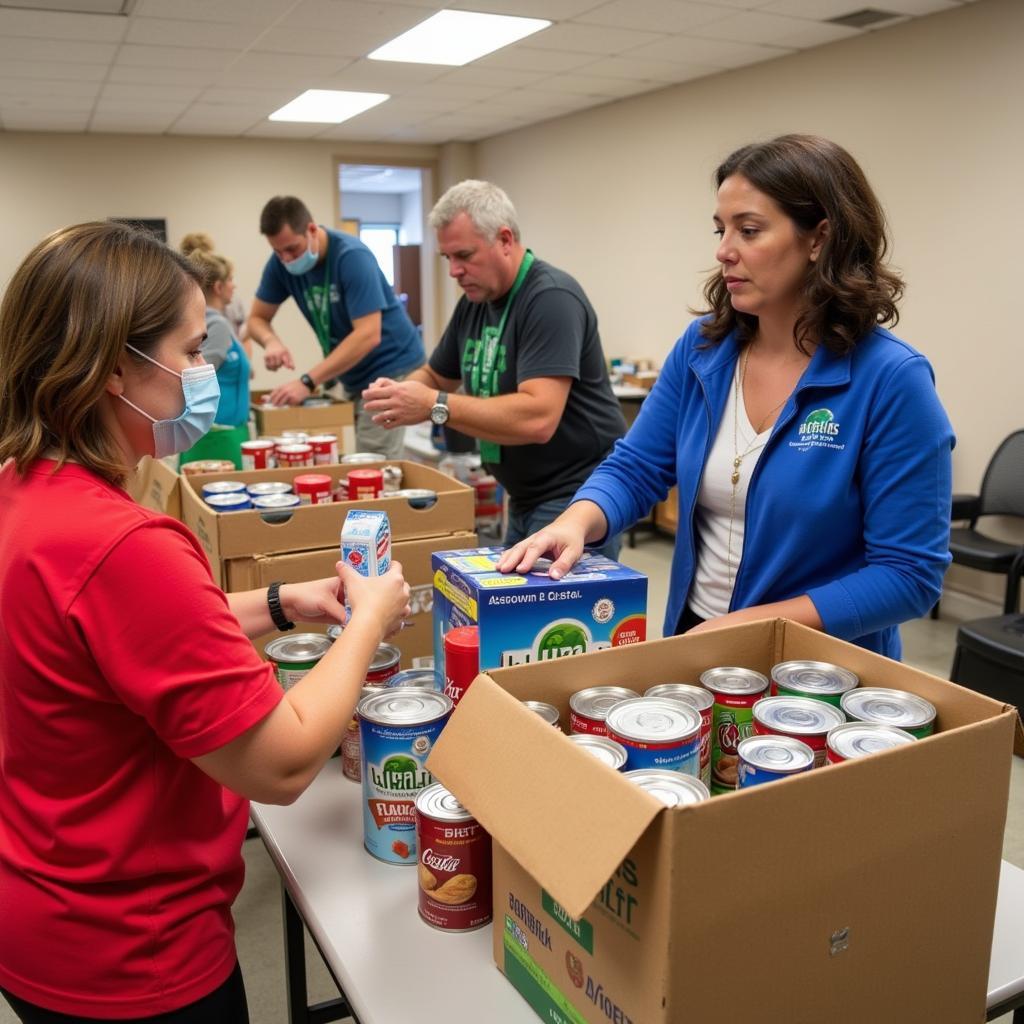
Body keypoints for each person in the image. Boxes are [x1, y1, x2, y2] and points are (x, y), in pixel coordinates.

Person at [0, 222, 410, 1022]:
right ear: (116, 365)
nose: (209, 368)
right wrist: (368, 622)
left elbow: (113, 640)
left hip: (41, 904)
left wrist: (283, 603)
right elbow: (282, 763)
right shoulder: (125, 544)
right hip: (133, 952)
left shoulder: (22, 488)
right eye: (190, 352)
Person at [498, 135, 954, 660]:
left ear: (819, 238)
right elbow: (637, 466)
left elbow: (907, 576)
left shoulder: (891, 379)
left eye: (749, 230)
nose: (723, 250)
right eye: (721, 230)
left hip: (818, 673)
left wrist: (753, 625)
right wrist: (574, 522)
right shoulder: (703, 351)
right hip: (698, 640)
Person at [363, 180, 627, 557]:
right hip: (522, 495)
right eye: (447, 258)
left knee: (546, 614)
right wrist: (401, 393)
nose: (454, 271)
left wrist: (434, 405)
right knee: (515, 610)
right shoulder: (476, 300)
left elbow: (538, 417)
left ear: (505, 239)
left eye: (464, 255)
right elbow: (437, 375)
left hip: (575, 496)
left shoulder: (550, 298)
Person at [247, 196, 425, 458]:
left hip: (391, 365)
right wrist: (270, 341)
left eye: (293, 250)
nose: (286, 259)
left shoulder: (352, 257)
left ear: (311, 230)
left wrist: (307, 382)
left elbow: (368, 335)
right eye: (278, 252)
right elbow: (256, 319)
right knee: (342, 452)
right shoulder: (280, 264)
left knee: (372, 458)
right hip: (351, 372)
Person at [179, 237, 251, 468]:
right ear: (219, 287)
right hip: (218, 437)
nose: (234, 285)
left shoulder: (208, 321)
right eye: (230, 279)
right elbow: (198, 379)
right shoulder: (217, 324)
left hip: (216, 433)